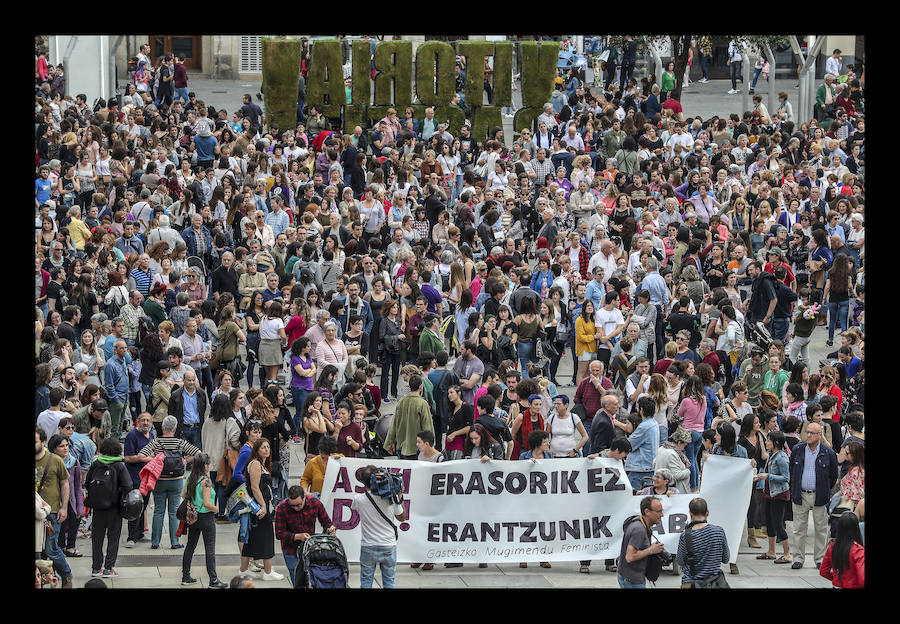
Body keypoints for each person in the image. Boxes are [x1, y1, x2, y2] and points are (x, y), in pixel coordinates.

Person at [138, 415, 201, 550]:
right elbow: (198, 452)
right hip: (176, 480)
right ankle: (174, 542)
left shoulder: (156, 442)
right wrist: (185, 461)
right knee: (173, 511)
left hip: (159, 480)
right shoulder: (180, 442)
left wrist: (155, 461)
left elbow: (141, 456)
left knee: (158, 511)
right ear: (175, 428)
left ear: (162, 428)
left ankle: (155, 542)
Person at [789, 421, 839, 570]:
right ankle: (797, 558)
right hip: (800, 494)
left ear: (819, 435)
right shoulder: (798, 449)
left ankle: (820, 559)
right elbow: (792, 470)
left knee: (821, 529)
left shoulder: (828, 453)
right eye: (807, 432)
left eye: (812, 433)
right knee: (798, 528)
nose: (808, 435)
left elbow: (833, 475)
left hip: (819, 496)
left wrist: (824, 490)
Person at [352, 465, 408, 589]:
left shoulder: (358, 499)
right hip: (388, 545)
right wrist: (399, 495)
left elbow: (355, 507)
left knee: (366, 582)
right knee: (389, 582)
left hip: (368, 546)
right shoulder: (391, 498)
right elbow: (402, 517)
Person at [84, 437, 132, 579]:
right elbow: (128, 486)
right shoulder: (119, 466)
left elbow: (87, 483)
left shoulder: (96, 464)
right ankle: (108, 568)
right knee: (113, 538)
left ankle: (96, 568)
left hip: (98, 508)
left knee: (97, 539)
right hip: (114, 508)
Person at [238, 437, 285, 581]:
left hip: (258, 506)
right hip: (258, 507)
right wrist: (263, 506)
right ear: (257, 450)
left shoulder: (262, 464)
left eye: (268, 447)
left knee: (251, 538)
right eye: (263, 447)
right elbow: (254, 487)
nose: (267, 450)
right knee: (267, 537)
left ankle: (244, 570)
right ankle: (268, 571)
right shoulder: (255, 464)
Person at [179, 452, 229, 588]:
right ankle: (213, 580)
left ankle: (186, 576)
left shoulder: (190, 476)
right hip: (206, 517)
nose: (210, 466)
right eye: (209, 463)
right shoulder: (206, 481)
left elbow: (183, 495)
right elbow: (207, 503)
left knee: (190, 546)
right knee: (210, 549)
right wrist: (218, 510)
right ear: (205, 466)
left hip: (193, 517)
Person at [274, 485, 337, 588]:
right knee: (297, 582)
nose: (295, 508)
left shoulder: (315, 503)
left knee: (313, 580)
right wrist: (297, 536)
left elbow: (326, 522)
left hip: (310, 548)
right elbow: (279, 533)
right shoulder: (282, 508)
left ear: (304, 498)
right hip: (290, 549)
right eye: (292, 505)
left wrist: (330, 529)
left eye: (298, 505)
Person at [35, 427, 73, 588]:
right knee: (39, 550)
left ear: (43, 442)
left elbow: (65, 483)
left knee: (50, 548)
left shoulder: (55, 460)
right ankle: (44, 579)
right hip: (36, 510)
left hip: (52, 512)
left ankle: (66, 573)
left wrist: (64, 507)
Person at [754, 430, 792, 565]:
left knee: (778, 523)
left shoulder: (781, 457)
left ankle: (787, 554)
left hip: (779, 494)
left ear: (776, 443)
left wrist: (768, 476)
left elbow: (786, 478)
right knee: (770, 522)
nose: (766, 442)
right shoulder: (772, 455)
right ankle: (771, 551)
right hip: (770, 493)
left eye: (768, 440)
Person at [676, 497, 730, 588]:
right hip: (714, 583)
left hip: (691, 583)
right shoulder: (719, 531)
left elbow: (680, 561)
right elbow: (726, 559)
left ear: (690, 514)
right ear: (707, 513)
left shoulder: (685, 536)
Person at [618, 495, 666, 589]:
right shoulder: (639, 530)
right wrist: (650, 550)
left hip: (630, 577)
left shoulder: (640, 524)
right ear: (647, 512)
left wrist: (649, 547)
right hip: (632, 581)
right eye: (658, 511)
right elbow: (630, 557)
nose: (662, 515)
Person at [123, 413, 154, 548]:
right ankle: (132, 536)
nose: (145, 423)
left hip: (148, 478)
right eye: (143, 420)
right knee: (134, 505)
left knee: (144, 506)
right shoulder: (132, 436)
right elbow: (128, 458)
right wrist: (143, 458)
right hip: (135, 477)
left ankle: (140, 533)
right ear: (138, 422)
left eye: (148, 421)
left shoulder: (151, 435)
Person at [386, 375, 436, 460]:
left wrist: (388, 443)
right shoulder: (422, 403)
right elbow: (427, 426)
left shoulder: (401, 402)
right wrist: (431, 446)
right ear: (421, 386)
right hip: (417, 447)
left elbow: (394, 424)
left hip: (401, 445)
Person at [819, 511, 865, 588]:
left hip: (837, 585)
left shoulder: (832, 546)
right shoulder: (858, 550)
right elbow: (862, 579)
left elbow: (823, 571)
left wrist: (836, 580)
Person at [625, 396, 660, 491]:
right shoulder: (654, 423)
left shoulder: (644, 427)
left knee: (635, 499)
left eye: (638, 407)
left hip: (640, 469)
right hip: (649, 467)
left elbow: (629, 445)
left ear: (642, 410)